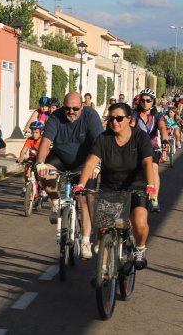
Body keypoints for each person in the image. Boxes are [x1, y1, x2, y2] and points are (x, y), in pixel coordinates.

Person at [73, 102, 156, 269]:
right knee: (104, 228)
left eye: (119, 118)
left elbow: (147, 163)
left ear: (129, 119)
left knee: (139, 223)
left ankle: (139, 248)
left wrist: (151, 185)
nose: (114, 122)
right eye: (111, 119)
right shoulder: (103, 139)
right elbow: (90, 163)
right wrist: (80, 184)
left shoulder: (140, 137)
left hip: (136, 187)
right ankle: (103, 271)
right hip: (110, 187)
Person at [36, 92, 104, 260]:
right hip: (60, 157)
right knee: (44, 176)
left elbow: (99, 142)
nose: (71, 112)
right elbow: (45, 142)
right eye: (67, 108)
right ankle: (55, 201)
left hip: (85, 162)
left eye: (75, 108)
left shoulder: (91, 116)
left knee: (85, 198)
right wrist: (39, 163)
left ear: (82, 106)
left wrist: (98, 164)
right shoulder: (56, 117)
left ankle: (86, 239)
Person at [130, 89, 169, 212]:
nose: (145, 103)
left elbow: (162, 127)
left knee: (154, 169)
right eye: (143, 100)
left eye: (148, 100)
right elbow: (131, 125)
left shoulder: (158, 115)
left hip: (153, 146)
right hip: (137, 145)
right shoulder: (134, 114)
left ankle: (154, 199)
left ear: (153, 102)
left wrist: (165, 140)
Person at [17, 121, 45, 197]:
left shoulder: (44, 140)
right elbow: (24, 150)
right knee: (27, 170)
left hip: (42, 158)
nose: (34, 134)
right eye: (32, 132)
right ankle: (26, 185)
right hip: (32, 158)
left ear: (41, 133)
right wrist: (21, 158)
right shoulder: (30, 139)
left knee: (42, 174)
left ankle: (43, 189)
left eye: (36, 132)